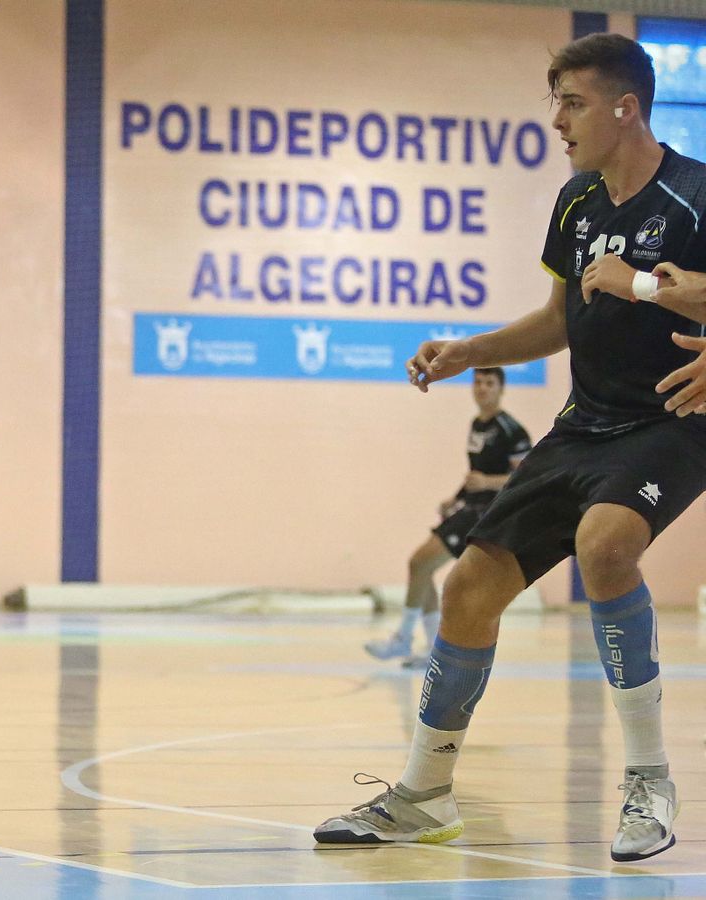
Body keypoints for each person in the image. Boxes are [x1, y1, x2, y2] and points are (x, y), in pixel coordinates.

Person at [315, 33, 706, 862]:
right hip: (583, 424)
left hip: (672, 420)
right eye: (555, 102)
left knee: (605, 547)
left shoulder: (696, 195)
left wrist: (649, 288)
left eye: (573, 103)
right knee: (468, 586)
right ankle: (423, 794)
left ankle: (649, 781)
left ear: (625, 108)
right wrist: (471, 349)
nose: (557, 121)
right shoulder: (576, 203)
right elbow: (560, 321)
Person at [364, 368, 530, 667]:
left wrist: (488, 482)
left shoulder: (511, 430)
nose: (482, 388)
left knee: (421, 563)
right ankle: (430, 648)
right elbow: (475, 475)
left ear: (501, 388)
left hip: (488, 513)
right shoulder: (477, 424)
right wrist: (456, 498)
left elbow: (525, 479)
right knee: (421, 567)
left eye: (489, 383)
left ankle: (404, 638)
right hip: (469, 507)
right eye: (478, 382)